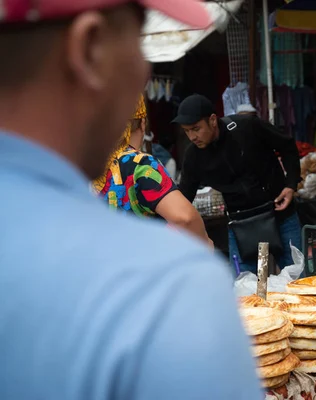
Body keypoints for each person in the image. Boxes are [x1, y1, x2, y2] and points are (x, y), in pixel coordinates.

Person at [0, 1, 262, 399]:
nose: (142, 70)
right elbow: (183, 214)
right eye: (138, 41)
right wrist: (202, 254)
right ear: (88, 50)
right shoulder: (166, 286)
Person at [174, 94, 301, 275]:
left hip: (280, 214)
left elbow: (287, 145)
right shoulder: (193, 157)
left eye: (196, 129)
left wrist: (291, 184)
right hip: (243, 227)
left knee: (297, 280)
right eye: (186, 131)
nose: (192, 136)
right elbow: (184, 196)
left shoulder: (247, 126)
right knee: (249, 289)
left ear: (212, 120)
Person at [93, 95, 212, 246]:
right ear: (143, 124)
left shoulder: (90, 166)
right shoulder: (140, 165)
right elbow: (185, 218)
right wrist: (205, 246)